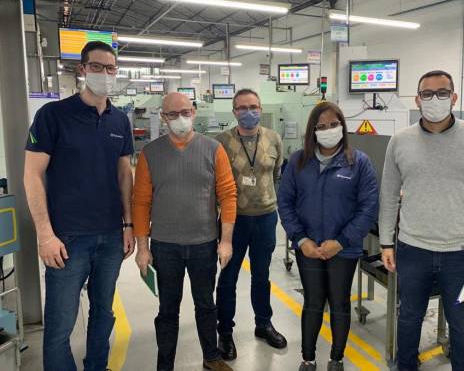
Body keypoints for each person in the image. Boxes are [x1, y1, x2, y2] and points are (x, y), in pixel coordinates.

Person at [379, 70, 464, 371]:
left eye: (442, 93)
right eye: (427, 94)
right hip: (412, 250)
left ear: (454, 97)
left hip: (462, 254)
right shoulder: (400, 141)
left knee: (462, 325)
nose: (434, 99)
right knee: (408, 318)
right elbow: (388, 194)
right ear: (417, 99)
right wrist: (386, 241)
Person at [24, 41, 135, 371]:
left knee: (103, 312)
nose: (105, 74)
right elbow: (32, 175)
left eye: (111, 68)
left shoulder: (120, 121)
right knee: (60, 325)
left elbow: (124, 175)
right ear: (82, 69)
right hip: (67, 238)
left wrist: (128, 225)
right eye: (97, 67)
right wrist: (45, 235)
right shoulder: (53, 115)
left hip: (111, 237)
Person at [132, 92, 237, 371]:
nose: (180, 119)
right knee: (168, 310)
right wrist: (142, 248)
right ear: (163, 117)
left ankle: (211, 357)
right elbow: (140, 202)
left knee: (206, 305)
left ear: (194, 112)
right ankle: (164, 364)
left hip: (204, 244)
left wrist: (226, 241)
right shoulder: (150, 153)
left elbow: (228, 195)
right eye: (173, 114)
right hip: (165, 246)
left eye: (186, 112)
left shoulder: (214, 149)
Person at [278, 102, 379, 371]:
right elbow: (285, 203)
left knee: (339, 301)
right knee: (313, 302)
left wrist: (341, 241)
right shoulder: (298, 162)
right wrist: (301, 239)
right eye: (321, 126)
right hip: (308, 247)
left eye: (333, 124)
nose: (328, 130)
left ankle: (336, 359)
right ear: (312, 131)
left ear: (342, 126)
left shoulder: (359, 162)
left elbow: (368, 207)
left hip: (343, 249)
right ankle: (308, 359)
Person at [215, 89, 287, 360]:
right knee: (228, 277)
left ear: (261, 108)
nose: (249, 112)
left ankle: (263, 324)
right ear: (234, 111)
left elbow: (276, 173)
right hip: (233, 221)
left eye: (254, 107)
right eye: (243, 108)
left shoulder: (274, 138)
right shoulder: (221, 142)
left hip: (266, 217)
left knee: (261, 275)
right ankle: (225, 331)